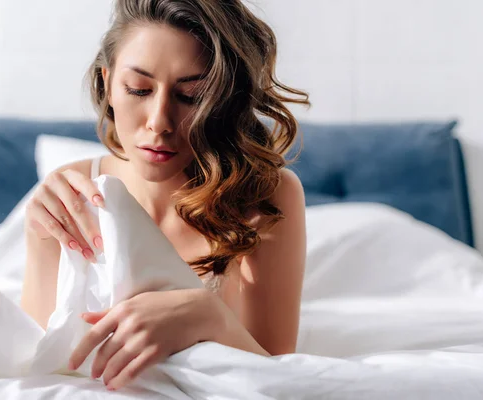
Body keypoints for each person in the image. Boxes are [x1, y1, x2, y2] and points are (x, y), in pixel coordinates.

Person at [21, 0, 309, 391]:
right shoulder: (70, 187)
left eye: (190, 96)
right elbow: (37, 363)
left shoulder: (264, 197)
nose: (159, 122)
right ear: (107, 83)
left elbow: (280, 378)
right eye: (138, 89)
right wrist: (39, 239)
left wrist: (210, 315)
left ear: (222, 102)